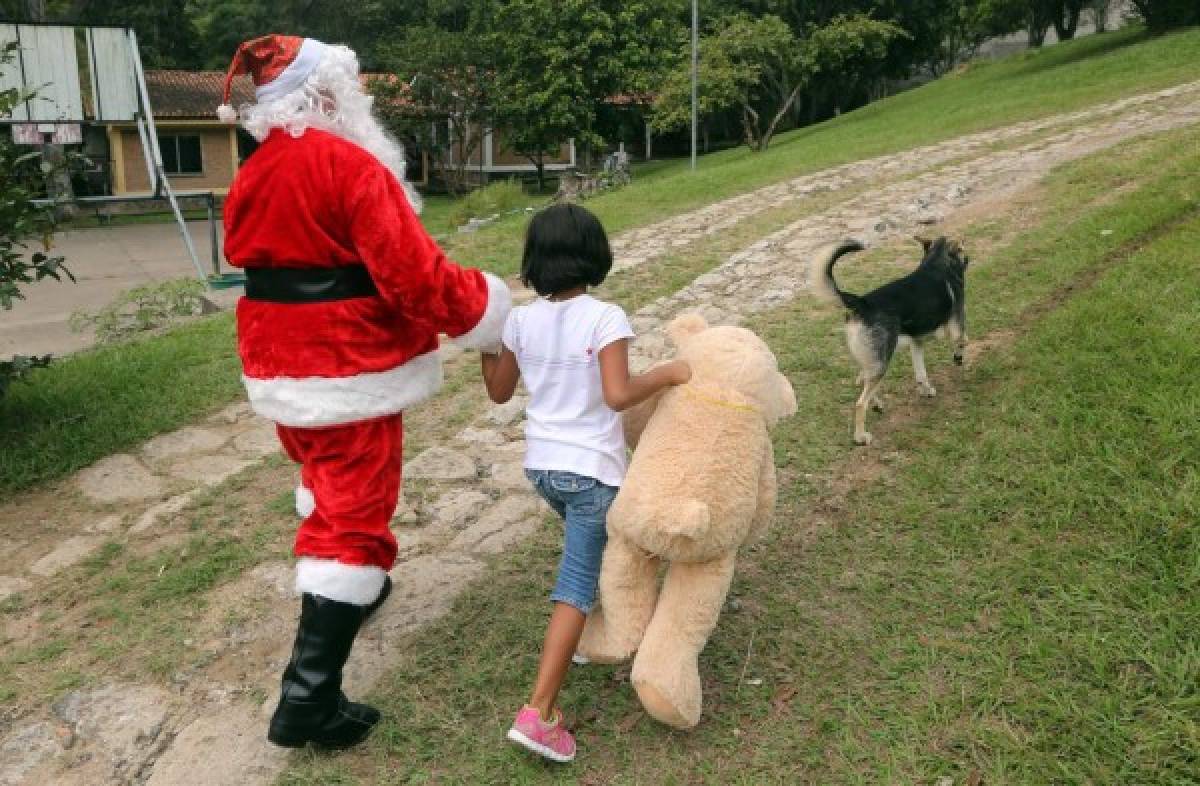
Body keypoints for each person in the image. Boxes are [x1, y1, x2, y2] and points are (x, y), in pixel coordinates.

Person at [217, 35, 511, 750]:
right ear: (330, 95)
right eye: (354, 88)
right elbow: (417, 281)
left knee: (323, 478)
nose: (363, 102)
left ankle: (360, 587)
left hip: (278, 366)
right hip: (350, 368)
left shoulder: (253, 173)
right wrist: (487, 309)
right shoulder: (349, 166)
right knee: (353, 518)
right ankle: (308, 699)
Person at [480, 203, 690, 762]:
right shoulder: (605, 316)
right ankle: (540, 713)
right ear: (596, 257)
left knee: (594, 555)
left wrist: (482, 341)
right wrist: (672, 371)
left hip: (543, 468)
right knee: (575, 583)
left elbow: (498, 392)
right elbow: (619, 394)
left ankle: (585, 637)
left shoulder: (519, 321)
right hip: (592, 472)